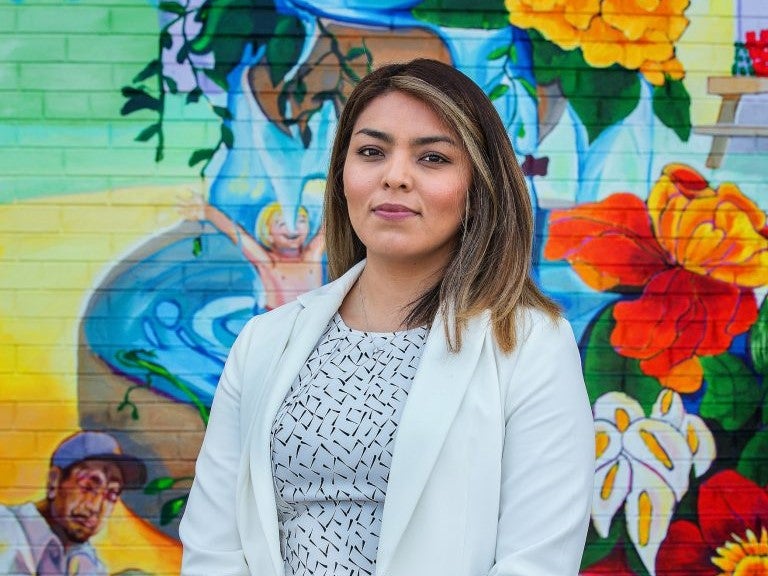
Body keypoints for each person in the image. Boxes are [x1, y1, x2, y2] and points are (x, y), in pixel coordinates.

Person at [179, 58, 595, 576]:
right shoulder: (264, 341)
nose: (394, 177)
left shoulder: (531, 344)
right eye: (371, 152)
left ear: (478, 185)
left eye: (433, 158)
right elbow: (214, 549)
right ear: (341, 175)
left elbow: (536, 562)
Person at [0, 431, 147, 575]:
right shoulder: (7, 528)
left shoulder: (85, 560)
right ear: (54, 480)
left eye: (112, 493)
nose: (95, 507)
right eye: (88, 487)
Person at [179, 195, 326, 310]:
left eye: (301, 221)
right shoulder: (269, 263)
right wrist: (209, 212)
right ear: (268, 234)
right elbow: (237, 234)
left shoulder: (312, 256)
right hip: (279, 324)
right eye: (282, 223)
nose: (293, 228)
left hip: (312, 321)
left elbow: (328, 228)